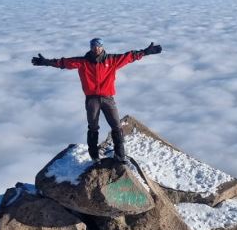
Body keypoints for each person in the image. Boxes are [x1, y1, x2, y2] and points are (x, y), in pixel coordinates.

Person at [32, 38, 162, 162]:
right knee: (93, 127)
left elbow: (130, 56)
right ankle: (94, 156)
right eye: (94, 46)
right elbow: (63, 63)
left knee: (116, 126)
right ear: (91, 48)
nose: (97, 49)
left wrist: (145, 52)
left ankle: (120, 155)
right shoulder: (83, 62)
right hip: (92, 100)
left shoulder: (112, 60)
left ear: (102, 47)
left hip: (108, 99)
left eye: (99, 46)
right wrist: (47, 62)